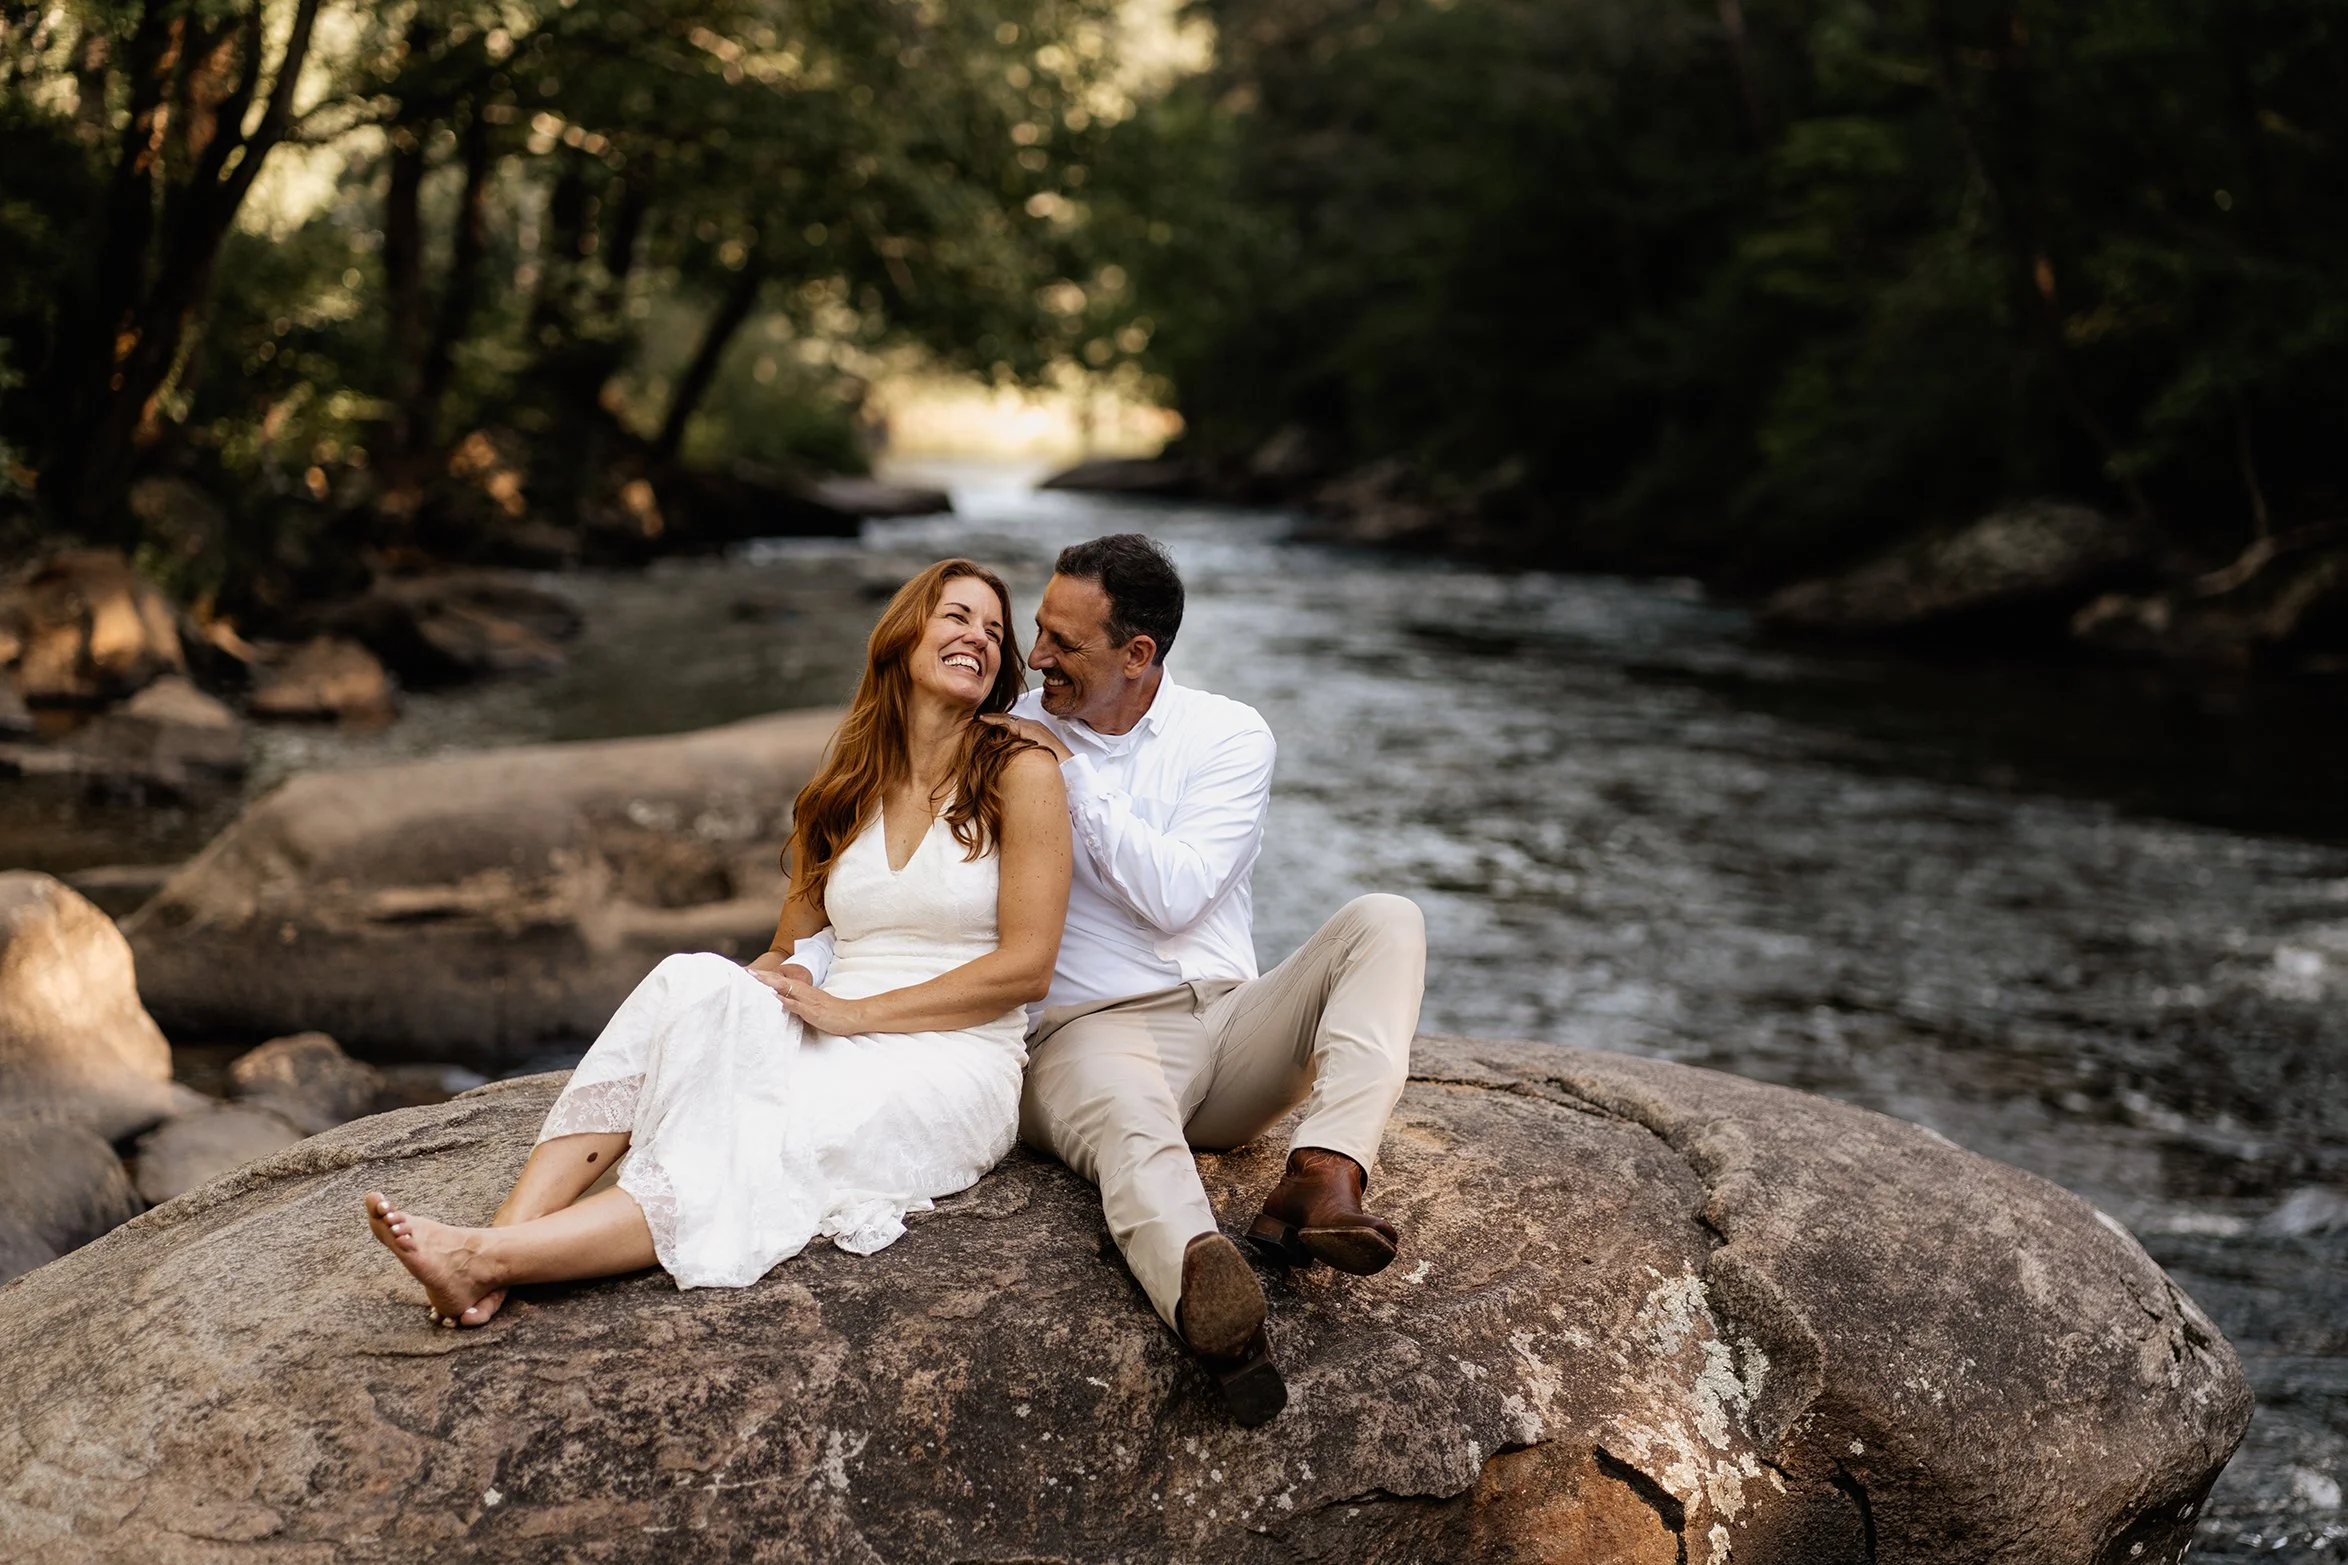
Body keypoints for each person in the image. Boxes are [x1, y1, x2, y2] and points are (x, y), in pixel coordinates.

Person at [364, 560, 1071, 1325]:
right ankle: (503, 1234)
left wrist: (851, 1015)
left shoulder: (1020, 771)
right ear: (903, 637)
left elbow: (1027, 968)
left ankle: (486, 1260)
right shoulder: (842, 787)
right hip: (832, 1023)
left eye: (996, 630)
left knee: (757, 1137)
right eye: (958, 617)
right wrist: (729, 1011)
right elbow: (786, 949)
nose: (981, 638)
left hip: (949, 1059)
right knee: (687, 981)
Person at [983, 533, 1426, 1427]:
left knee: (1389, 918)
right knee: (1133, 1128)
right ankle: (1213, 1305)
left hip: (1230, 1024)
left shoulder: (1227, 733)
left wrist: (1071, 777)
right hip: (1083, 1031)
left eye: (1064, 643)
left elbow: (1175, 895)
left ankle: (1325, 1175)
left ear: (1139, 654)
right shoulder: (1003, 741)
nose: (1035, 659)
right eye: (1038, 631)